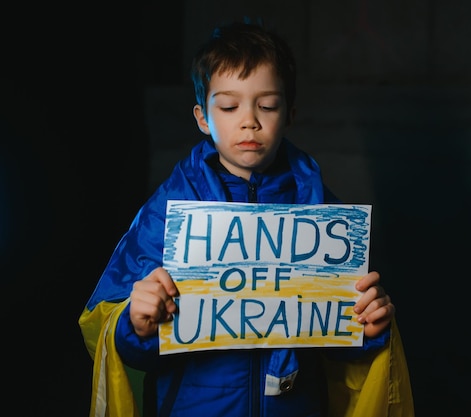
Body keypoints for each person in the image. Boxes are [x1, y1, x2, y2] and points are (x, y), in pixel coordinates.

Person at [79, 20, 414, 417]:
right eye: (229, 105)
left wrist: (368, 331)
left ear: (289, 113)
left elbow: (336, 328)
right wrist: (135, 324)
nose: (249, 120)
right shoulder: (168, 209)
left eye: (267, 105)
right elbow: (115, 328)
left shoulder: (322, 213)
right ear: (203, 117)